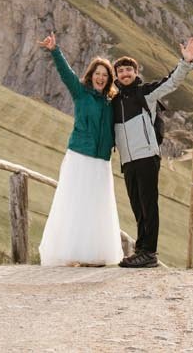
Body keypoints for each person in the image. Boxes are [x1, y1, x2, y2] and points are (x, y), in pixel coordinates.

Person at [110, 35, 193, 268]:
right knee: (137, 206)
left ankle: (149, 252)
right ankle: (142, 250)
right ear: (116, 76)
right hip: (128, 161)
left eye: (129, 70)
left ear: (135, 72)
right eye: (120, 71)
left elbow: (171, 82)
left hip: (147, 157)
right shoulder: (114, 101)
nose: (125, 74)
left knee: (148, 204)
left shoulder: (146, 94)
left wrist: (186, 61)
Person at [36, 31, 124, 266]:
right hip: (80, 156)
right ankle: (70, 253)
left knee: (97, 206)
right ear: (91, 75)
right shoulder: (80, 92)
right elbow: (66, 74)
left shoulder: (111, 101)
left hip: (101, 160)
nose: (101, 78)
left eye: (105, 75)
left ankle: (93, 255)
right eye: (98, 74)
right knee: (74, 203)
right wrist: (55, 50)